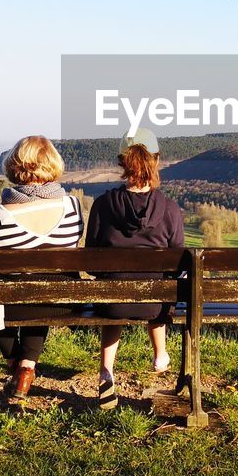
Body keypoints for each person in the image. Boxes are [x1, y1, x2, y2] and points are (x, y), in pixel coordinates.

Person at [0, 135, 83, 399]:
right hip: (62, 301)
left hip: (9, 303)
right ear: (52, 164)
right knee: (43, 286)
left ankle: (14, 362)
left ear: (14, 167)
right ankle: (26, 367)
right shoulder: (73, 207)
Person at [85, 127, 183, 409]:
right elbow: (176, 262)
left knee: (114, 292)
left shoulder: (103, 205)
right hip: (155, 304)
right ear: (155, 160)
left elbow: (91, 260)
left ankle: (106, 370)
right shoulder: (170, 208)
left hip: (112, 303)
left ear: (122, 162)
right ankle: (160, 354)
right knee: (157, 287)